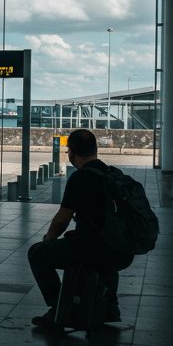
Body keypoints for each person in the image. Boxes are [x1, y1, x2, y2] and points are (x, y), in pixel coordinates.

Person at [27, 129, 133, 327]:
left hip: (96, 251)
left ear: (72, 152)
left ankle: (61, 309)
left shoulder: (80, 178)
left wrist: (49, 239)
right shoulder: (112, 174)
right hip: (123, 251)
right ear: (95, 150)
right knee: (101, 249)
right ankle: (110, 308)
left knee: (37, 253)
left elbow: (62, 219)